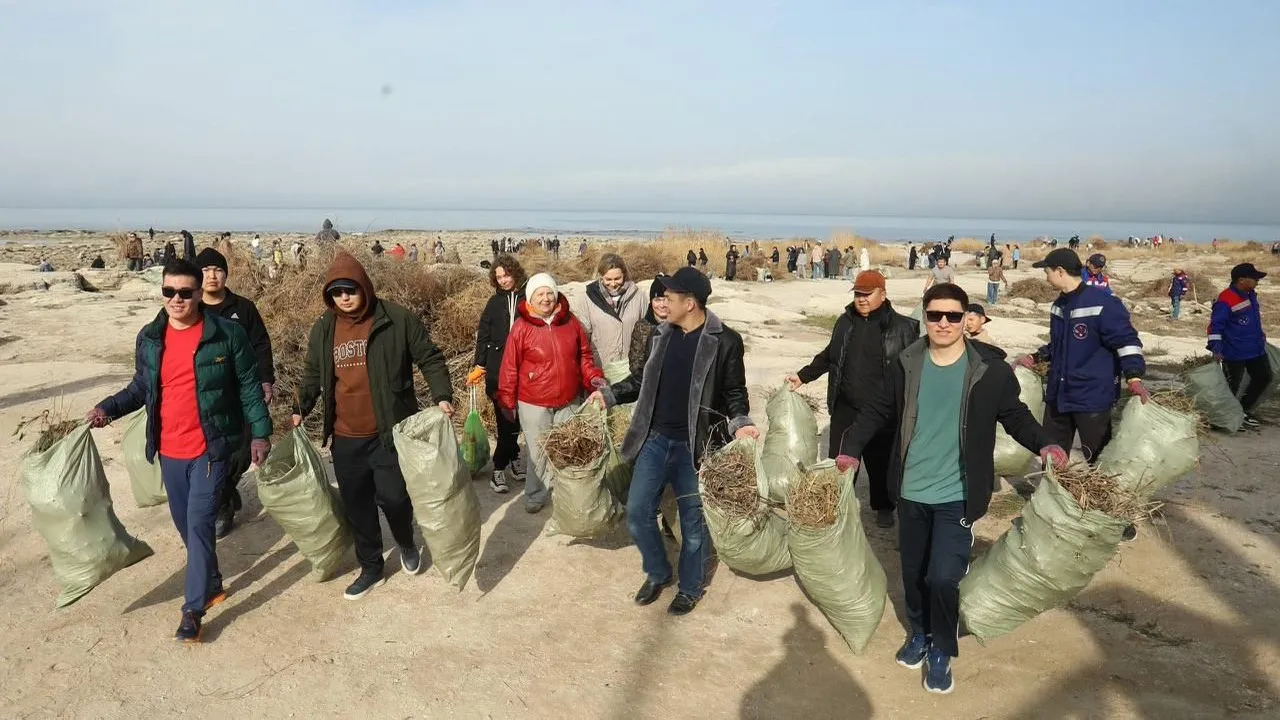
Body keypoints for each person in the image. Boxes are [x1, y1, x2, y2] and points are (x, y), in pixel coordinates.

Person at [836, 282, 1067, 694]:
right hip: (910, 489)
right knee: (913, 572)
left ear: (967, 320)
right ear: (924, 317)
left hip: (957, 494)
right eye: (935, 315)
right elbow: (876, 410)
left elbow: (1015, 416)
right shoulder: (906, 364)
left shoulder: (990, 371)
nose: (943, 323)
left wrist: (1045, 443)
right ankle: (919, 633)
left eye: (953, 316)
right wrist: (850, 449)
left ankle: (942, 647)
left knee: (943, 576)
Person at [87, 259, 272, 642]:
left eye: (185, 292)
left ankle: (193, 610)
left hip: (210, 448)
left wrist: (260, 434)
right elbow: (140, 388)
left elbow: (250, 387)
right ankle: (213, 582)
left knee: (200, 523)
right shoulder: (150, 338)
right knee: (185, 525)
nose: (177, 299)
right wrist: (107, 408)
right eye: (169, 291)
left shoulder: (227, 334)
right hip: (169, 451)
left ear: (198, 294)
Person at [292, 252, 455, 600]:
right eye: (336, 292)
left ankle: (406, 541)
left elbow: (429, 357)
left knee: (395, 498)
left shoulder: (396, 318)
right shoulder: (325, 328)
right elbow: (313, 374)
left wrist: (442, 395)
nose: (344, 297)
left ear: (364, 287)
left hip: (389, 432)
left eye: (350, 289)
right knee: (357, 505)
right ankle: (371, 568)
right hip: (346, 436)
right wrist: (299, 407)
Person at [610, 267, 758, 615]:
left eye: (669, 297)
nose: (663, 302)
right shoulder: (660, 334)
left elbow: (735, 392)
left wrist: (740, 423)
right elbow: (640, 382)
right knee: (637, 513)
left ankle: (690, 588)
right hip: (655, 439)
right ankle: (658, 572)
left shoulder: (725, 341)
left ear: (689, 304)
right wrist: (609, 395)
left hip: (697, 447)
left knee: (693, 524)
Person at [1013, 248, 1148, 538]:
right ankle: (1054, 507)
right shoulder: (1058, 306)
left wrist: (1134, 376)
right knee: (1052, 453)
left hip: (1092, 396)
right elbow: (1058, 345)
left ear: (1060, 271)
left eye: (1047, 271)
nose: (1045, 276)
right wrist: (1036, 357)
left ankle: (1116, 520)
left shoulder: (1104, 303)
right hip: (1059, 394)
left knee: (1099, 459)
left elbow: (1127, 342)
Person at [786, 269, 918, 528]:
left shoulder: (904, 328)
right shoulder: (845, 323)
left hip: (882, 411)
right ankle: (837, 505)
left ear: (883, 294)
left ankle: (884, 506)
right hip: (846, 407)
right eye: (858, 294)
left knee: (880, 462)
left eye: (867, 294)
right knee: (840, 460)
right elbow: (830, 355)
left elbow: (915, 368)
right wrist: (803, 376)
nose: (861, 299)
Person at [496, 273, 606, 513]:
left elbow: (584, 356)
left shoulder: (570, 322)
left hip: (568, 399)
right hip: (533, 401)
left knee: (569, 449)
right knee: (538, 453)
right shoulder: (521, 328)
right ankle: (535, 495)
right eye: (540, 294)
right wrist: (507, 399)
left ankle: (569, 496)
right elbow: (509, 366)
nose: (545, 299)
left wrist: (593, 378)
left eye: (549, 293)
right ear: (530, 299)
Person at [194, 248, 275, 538]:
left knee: (241, 453)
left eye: (218, 270)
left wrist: (266, 380)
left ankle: (226, 489)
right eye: (205, 271)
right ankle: (223, 504)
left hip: (243, 391)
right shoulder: (191, 308)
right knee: (211, 451)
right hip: (206, 395)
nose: (212, 276)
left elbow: (261, 344)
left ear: (226, 274)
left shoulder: (243, 307)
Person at [469, 254, 529, 494]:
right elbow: (483, 335)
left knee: (518, 420)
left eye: (507, 275)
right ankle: (498, 468)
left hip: (524, 371)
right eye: (499, 277)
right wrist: (479, 365)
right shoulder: (494, 303)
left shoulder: (528, 299)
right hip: (498, 371)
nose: (503, 280)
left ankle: (513, 457)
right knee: (505, 421)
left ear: (516, 273)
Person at [1208, 263, 1271, 428]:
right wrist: (1216, 348)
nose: (1257, 281)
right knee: (1231, 386)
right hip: (1234, 352)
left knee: (1264, 377)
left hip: (1255, 349)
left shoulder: (1250, 295)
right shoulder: (1226, 299)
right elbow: (1215, 326)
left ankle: (1242, 410)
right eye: (1254, 278)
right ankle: (1223, 419)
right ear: (1241, 280)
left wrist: (1260, 333)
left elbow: (1251, 320)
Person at [573, 253, 646, 368]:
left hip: (631, 367)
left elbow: (646, 332)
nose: (613, 284)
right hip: (601, 366)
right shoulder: (588, 298)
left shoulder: (638, 296)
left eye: (617, 278)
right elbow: (583, 337)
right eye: (608, 279)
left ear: (624, 274)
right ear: (601, 276)